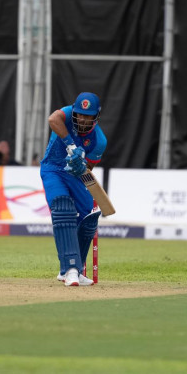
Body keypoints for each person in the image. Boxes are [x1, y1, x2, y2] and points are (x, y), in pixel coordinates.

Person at [40, 92, 107, 286]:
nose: (83, 119)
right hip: (53, 169)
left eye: (88, 116)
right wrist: (70, 145)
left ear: (96, 117)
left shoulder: (99, 141)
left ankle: (75, 269)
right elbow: (53, 119)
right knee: (63, 208)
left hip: (74, 175)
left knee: (88, 218)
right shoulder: (67, 114)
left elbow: (88, 169)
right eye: (80, 114)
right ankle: (69, 269)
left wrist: (80, 166)